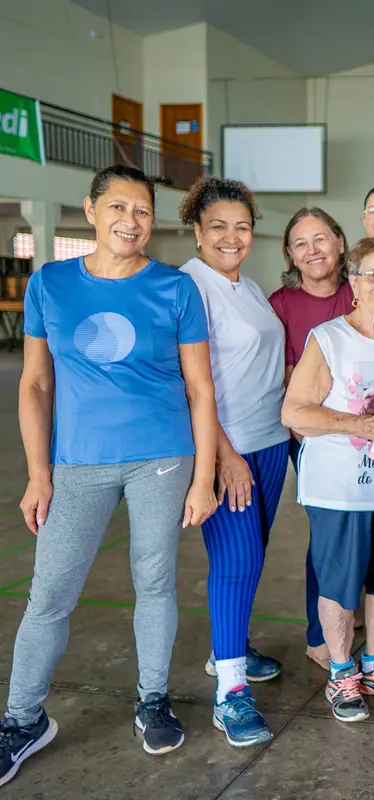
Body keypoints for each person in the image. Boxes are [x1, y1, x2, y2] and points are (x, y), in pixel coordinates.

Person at [1, 165, 219, 785]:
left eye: (143, 211)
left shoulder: (175, 289)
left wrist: (202, 477)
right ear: (92, 211)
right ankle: (22, 719)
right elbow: (36, 383)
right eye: (118, 207)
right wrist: (39, 473)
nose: (131, 221)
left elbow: (201, 390)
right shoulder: (51, 284)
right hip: (77, 462)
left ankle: (152, 699)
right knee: (50, 593)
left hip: (161, 458)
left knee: (154, 582)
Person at [281, 237, 374, 723]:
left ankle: (373, 663)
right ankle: (341, 671)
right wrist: (361, 425)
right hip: (341, 490)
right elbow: (294, 412)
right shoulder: (329, 339)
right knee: (340, 580)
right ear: (354, 283)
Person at [179, 177, 290, 747]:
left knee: (252, 555)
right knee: (237, 557)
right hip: (228, 446)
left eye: (242, 226)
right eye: (218, 226)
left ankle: (232, 644)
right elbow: (188, 382)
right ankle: (231, 693)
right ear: (196, 231)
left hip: (271, 440)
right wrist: (223, 455)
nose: (231, 236)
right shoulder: (188, 287)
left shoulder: (246, 287)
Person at [267, 208, 353, 669]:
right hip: (313, 439)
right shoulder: (280, 305)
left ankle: (344, 614)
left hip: (367, 437)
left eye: (321, 238)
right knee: (327, 533)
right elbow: (281, 380)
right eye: (301, 243)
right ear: (290, 255)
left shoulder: (361, 292)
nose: (313, 250)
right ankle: (319, 636)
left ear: (340, 242)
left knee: (358, 532)